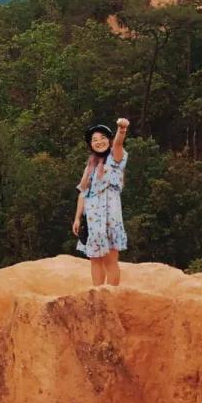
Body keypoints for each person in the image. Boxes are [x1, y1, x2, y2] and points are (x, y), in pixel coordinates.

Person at [72, 118, 130, 286]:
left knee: (110, 261)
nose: (99, 142)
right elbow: (83, 193)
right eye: (94, 140)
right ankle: (97, 296)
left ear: (109, 140)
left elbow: (118, 144)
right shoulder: (89, 167)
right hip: (92, 222)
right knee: (95, 260)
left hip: (110, 219)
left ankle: (111, 297)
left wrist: (122, 129)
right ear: (90, 144)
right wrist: (77, 218)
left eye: (103, 138)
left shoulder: (115, 159)